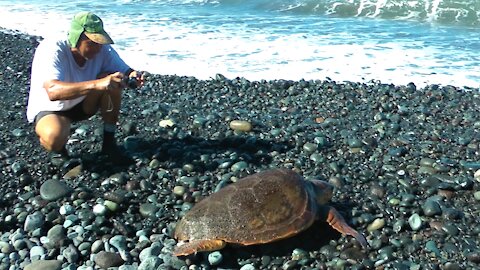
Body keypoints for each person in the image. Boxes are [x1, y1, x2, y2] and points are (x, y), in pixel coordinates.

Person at [26, 11, 144, 166]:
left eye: (100, 42)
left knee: (114, 79)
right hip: (52, 109)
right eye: (92, 43)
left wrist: (135, 76)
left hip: (83, 104)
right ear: (77, 38)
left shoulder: (103, 50)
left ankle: (109, 143)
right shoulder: (53, 48)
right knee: (54, 137)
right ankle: (59, 152)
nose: (97, 48)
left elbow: (125, 70)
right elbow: (53, 92)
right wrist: (98, 84)